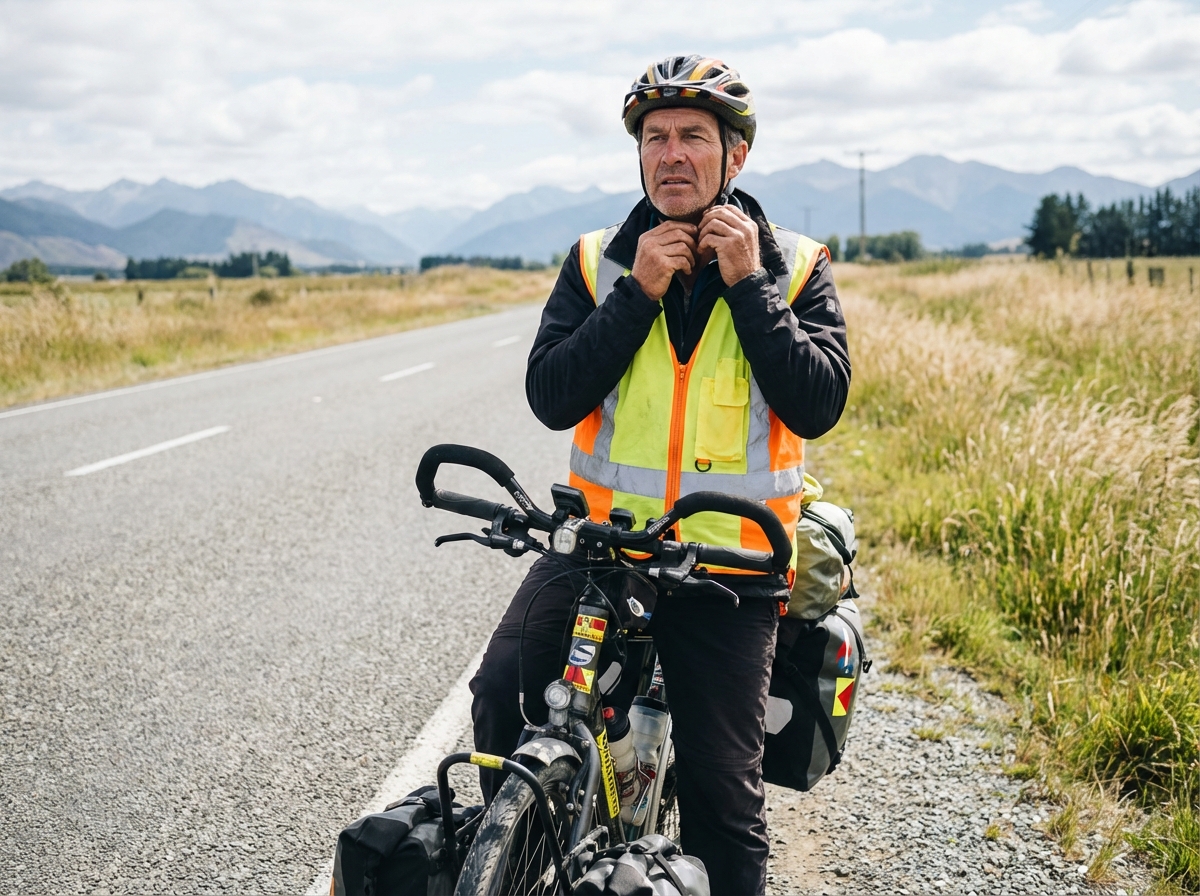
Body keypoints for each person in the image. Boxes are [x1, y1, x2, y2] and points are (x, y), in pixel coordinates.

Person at [469, 54, 850, 895]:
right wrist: (634, 295)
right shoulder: (598, 261)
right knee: (500, 697)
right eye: (656, 137)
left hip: (730, 568)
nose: (672, 153)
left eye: (693, 137)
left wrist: (750, 287)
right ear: (639, 153)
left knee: (723, 797)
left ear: (735, 155)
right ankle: (515, 866)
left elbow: (819, 402)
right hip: (599, 551)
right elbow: (551, 395)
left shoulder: (794, 264)